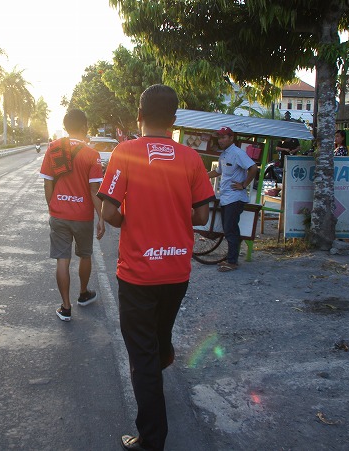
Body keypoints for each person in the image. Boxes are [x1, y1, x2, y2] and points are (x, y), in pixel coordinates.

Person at [98, 84, 215, 451]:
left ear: (139, 116)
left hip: (137, 274)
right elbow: (201, 213)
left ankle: (152, 440)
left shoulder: (126, 153)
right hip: (176, 272)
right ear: (174, 120)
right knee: (159, 335)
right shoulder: (191, 158)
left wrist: (133, 219)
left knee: (142, 358)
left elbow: (108, 210)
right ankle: (162, 356)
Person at [39, 109, 105, 322]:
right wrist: (101, 217)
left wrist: (53, 206)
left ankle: (65, 308)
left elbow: (47, 182)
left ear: (66, 126)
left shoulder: (53, 148)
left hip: (59, 214)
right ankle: (83, 294)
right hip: (83, 216)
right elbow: (95, 191)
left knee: (62, 260)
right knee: (85, 255)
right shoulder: (91, 155)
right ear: (85, 127)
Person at [207, 127, 259, 272]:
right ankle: (230, 257)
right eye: (219, 138)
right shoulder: (224, 154)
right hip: (226, 197)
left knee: (230, 229)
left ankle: (232, 262)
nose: (221, 140)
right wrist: (202, 176)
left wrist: (243, 185)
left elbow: (253, 168)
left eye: (223, 137)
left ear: (231, 138)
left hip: (235, 198)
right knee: (228, 229)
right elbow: (218, 171)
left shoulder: (237, 153)